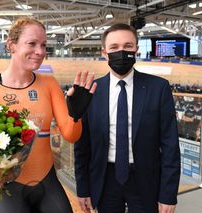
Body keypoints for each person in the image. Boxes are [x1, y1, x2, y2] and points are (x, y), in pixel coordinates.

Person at [0, 17, 97, 213]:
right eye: (32, 44)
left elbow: (71, 135)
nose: (40, 51)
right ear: (12, 45)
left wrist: (76, 115)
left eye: (43, 45)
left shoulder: (49, 84)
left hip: (47, 181)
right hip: (6, 188)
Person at [74, 23, 180, 213]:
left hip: (146, 179)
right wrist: (82, 188)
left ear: (136, 50)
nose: (121, 52)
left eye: (128, 46)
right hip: (105, 179)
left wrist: (168, 193)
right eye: (114, 47)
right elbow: (83, 147)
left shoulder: (159, 88)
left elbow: (170, 145)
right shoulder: (91, 92)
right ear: (104, 52)